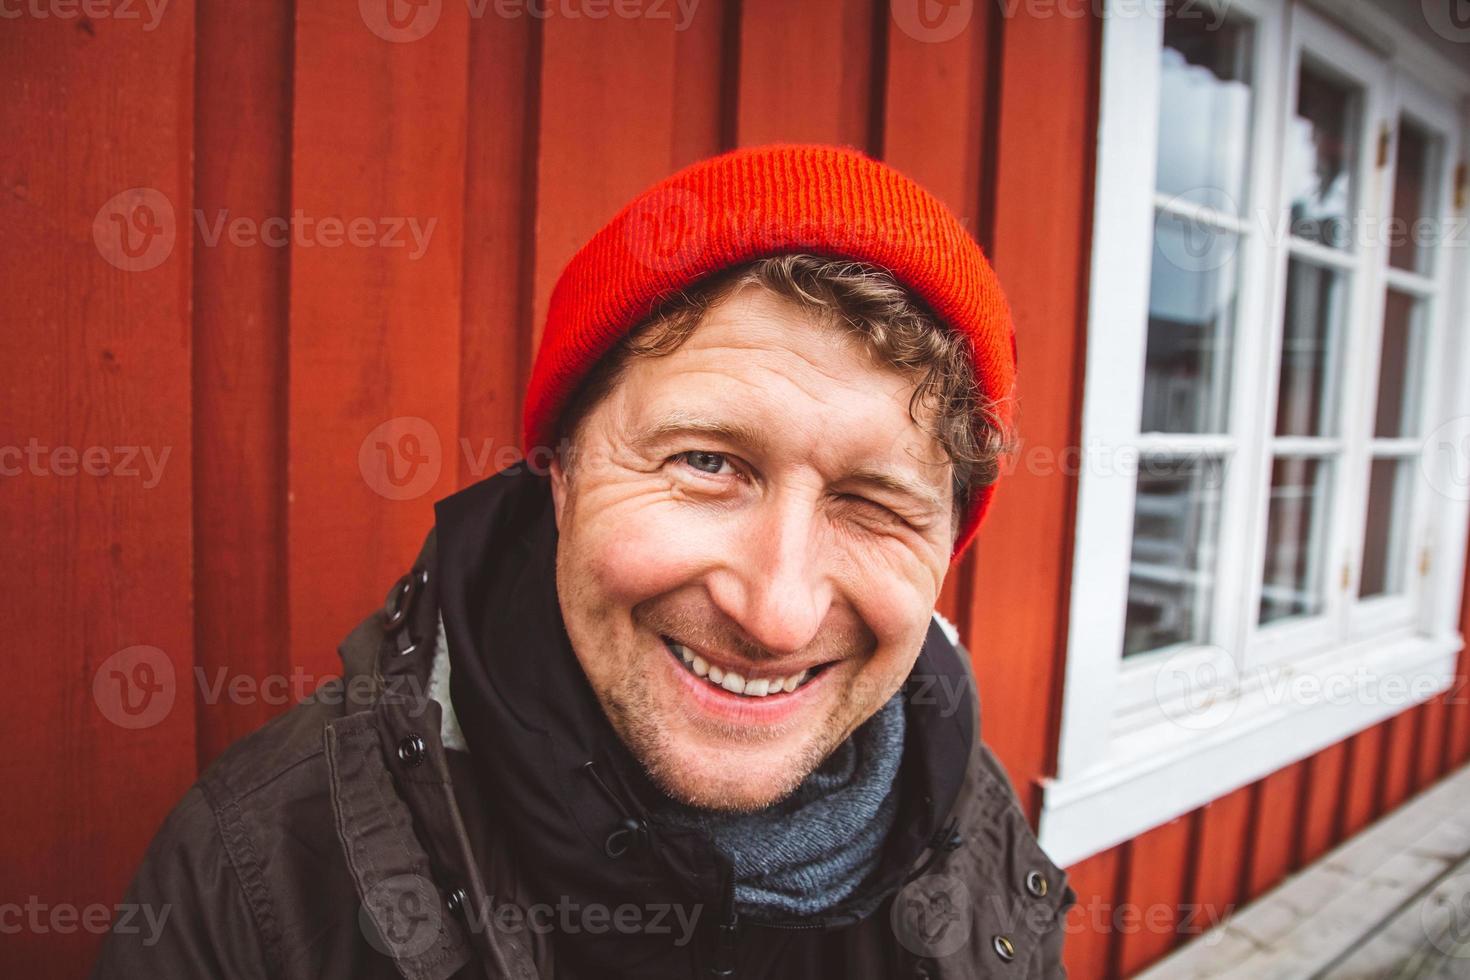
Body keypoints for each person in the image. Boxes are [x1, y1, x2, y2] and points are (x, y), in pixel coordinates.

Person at [93, 143, 1074, 979]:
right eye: (706, 462)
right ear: (558, 473)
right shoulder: (261, 877)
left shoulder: (968, 811)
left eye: (873, 504)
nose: (775, 611)